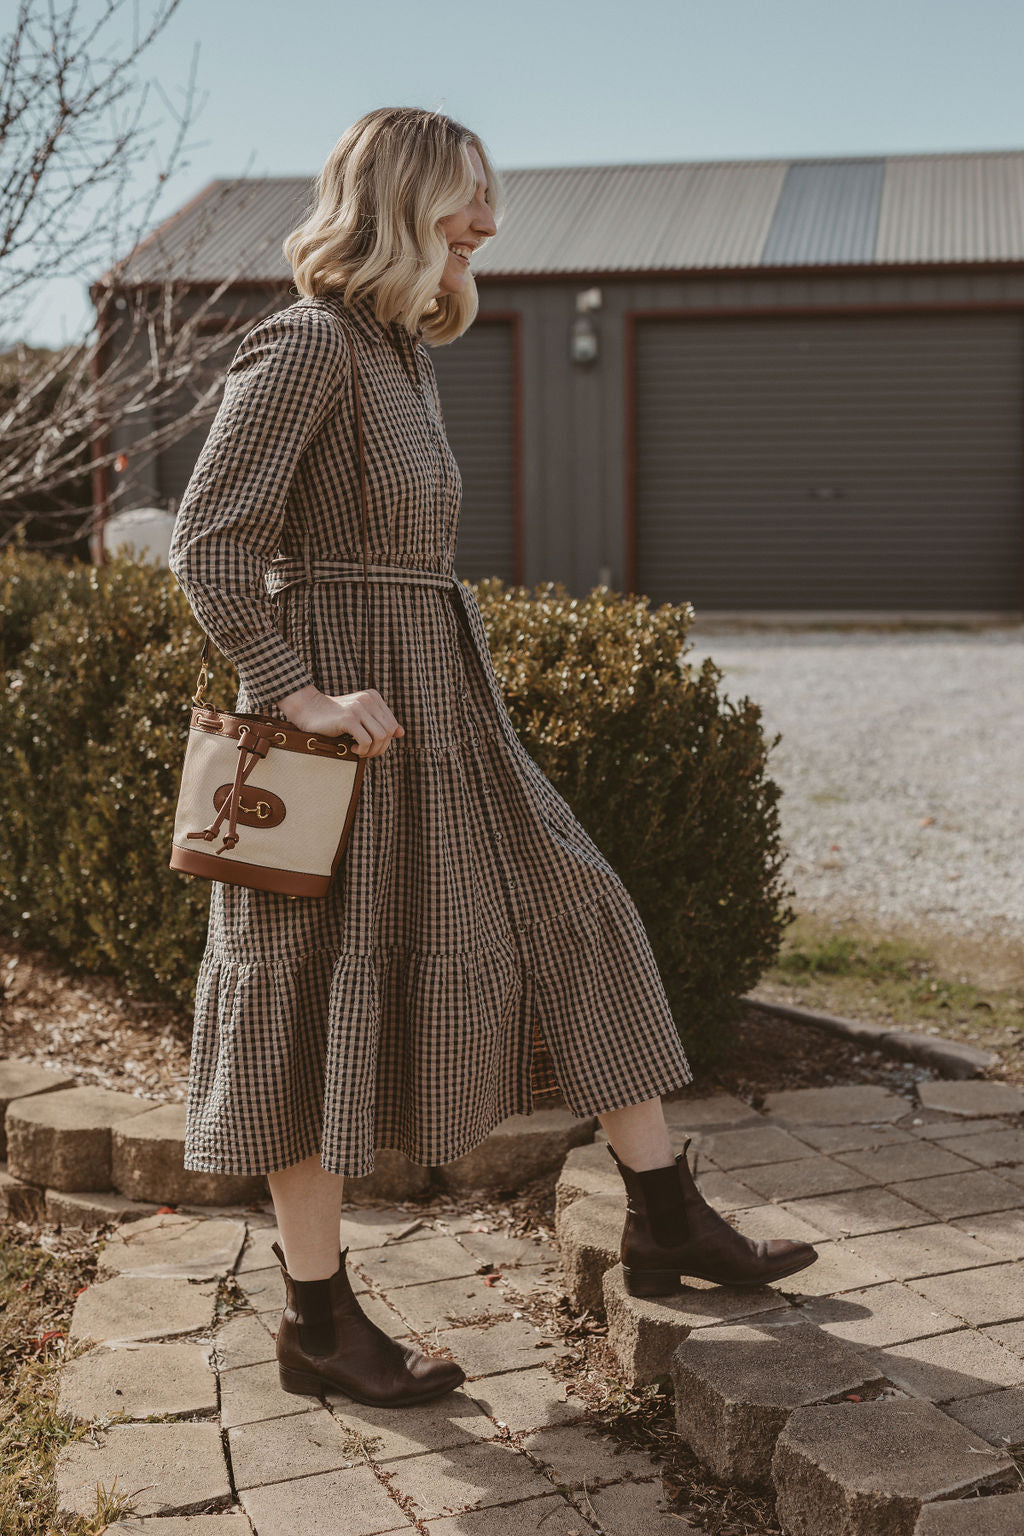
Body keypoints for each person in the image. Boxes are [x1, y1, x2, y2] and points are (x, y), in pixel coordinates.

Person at [167, 106, 817, 1412]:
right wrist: (304, 692)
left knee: (581, 908)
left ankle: (663, 1213)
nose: (493, 222)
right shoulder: (301, 346)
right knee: (308, 992)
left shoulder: (397, 354)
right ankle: (317, 1321)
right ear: (404, 200)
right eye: (471, 195)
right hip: (332, 740)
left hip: (440, 710)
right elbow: (209, 540)